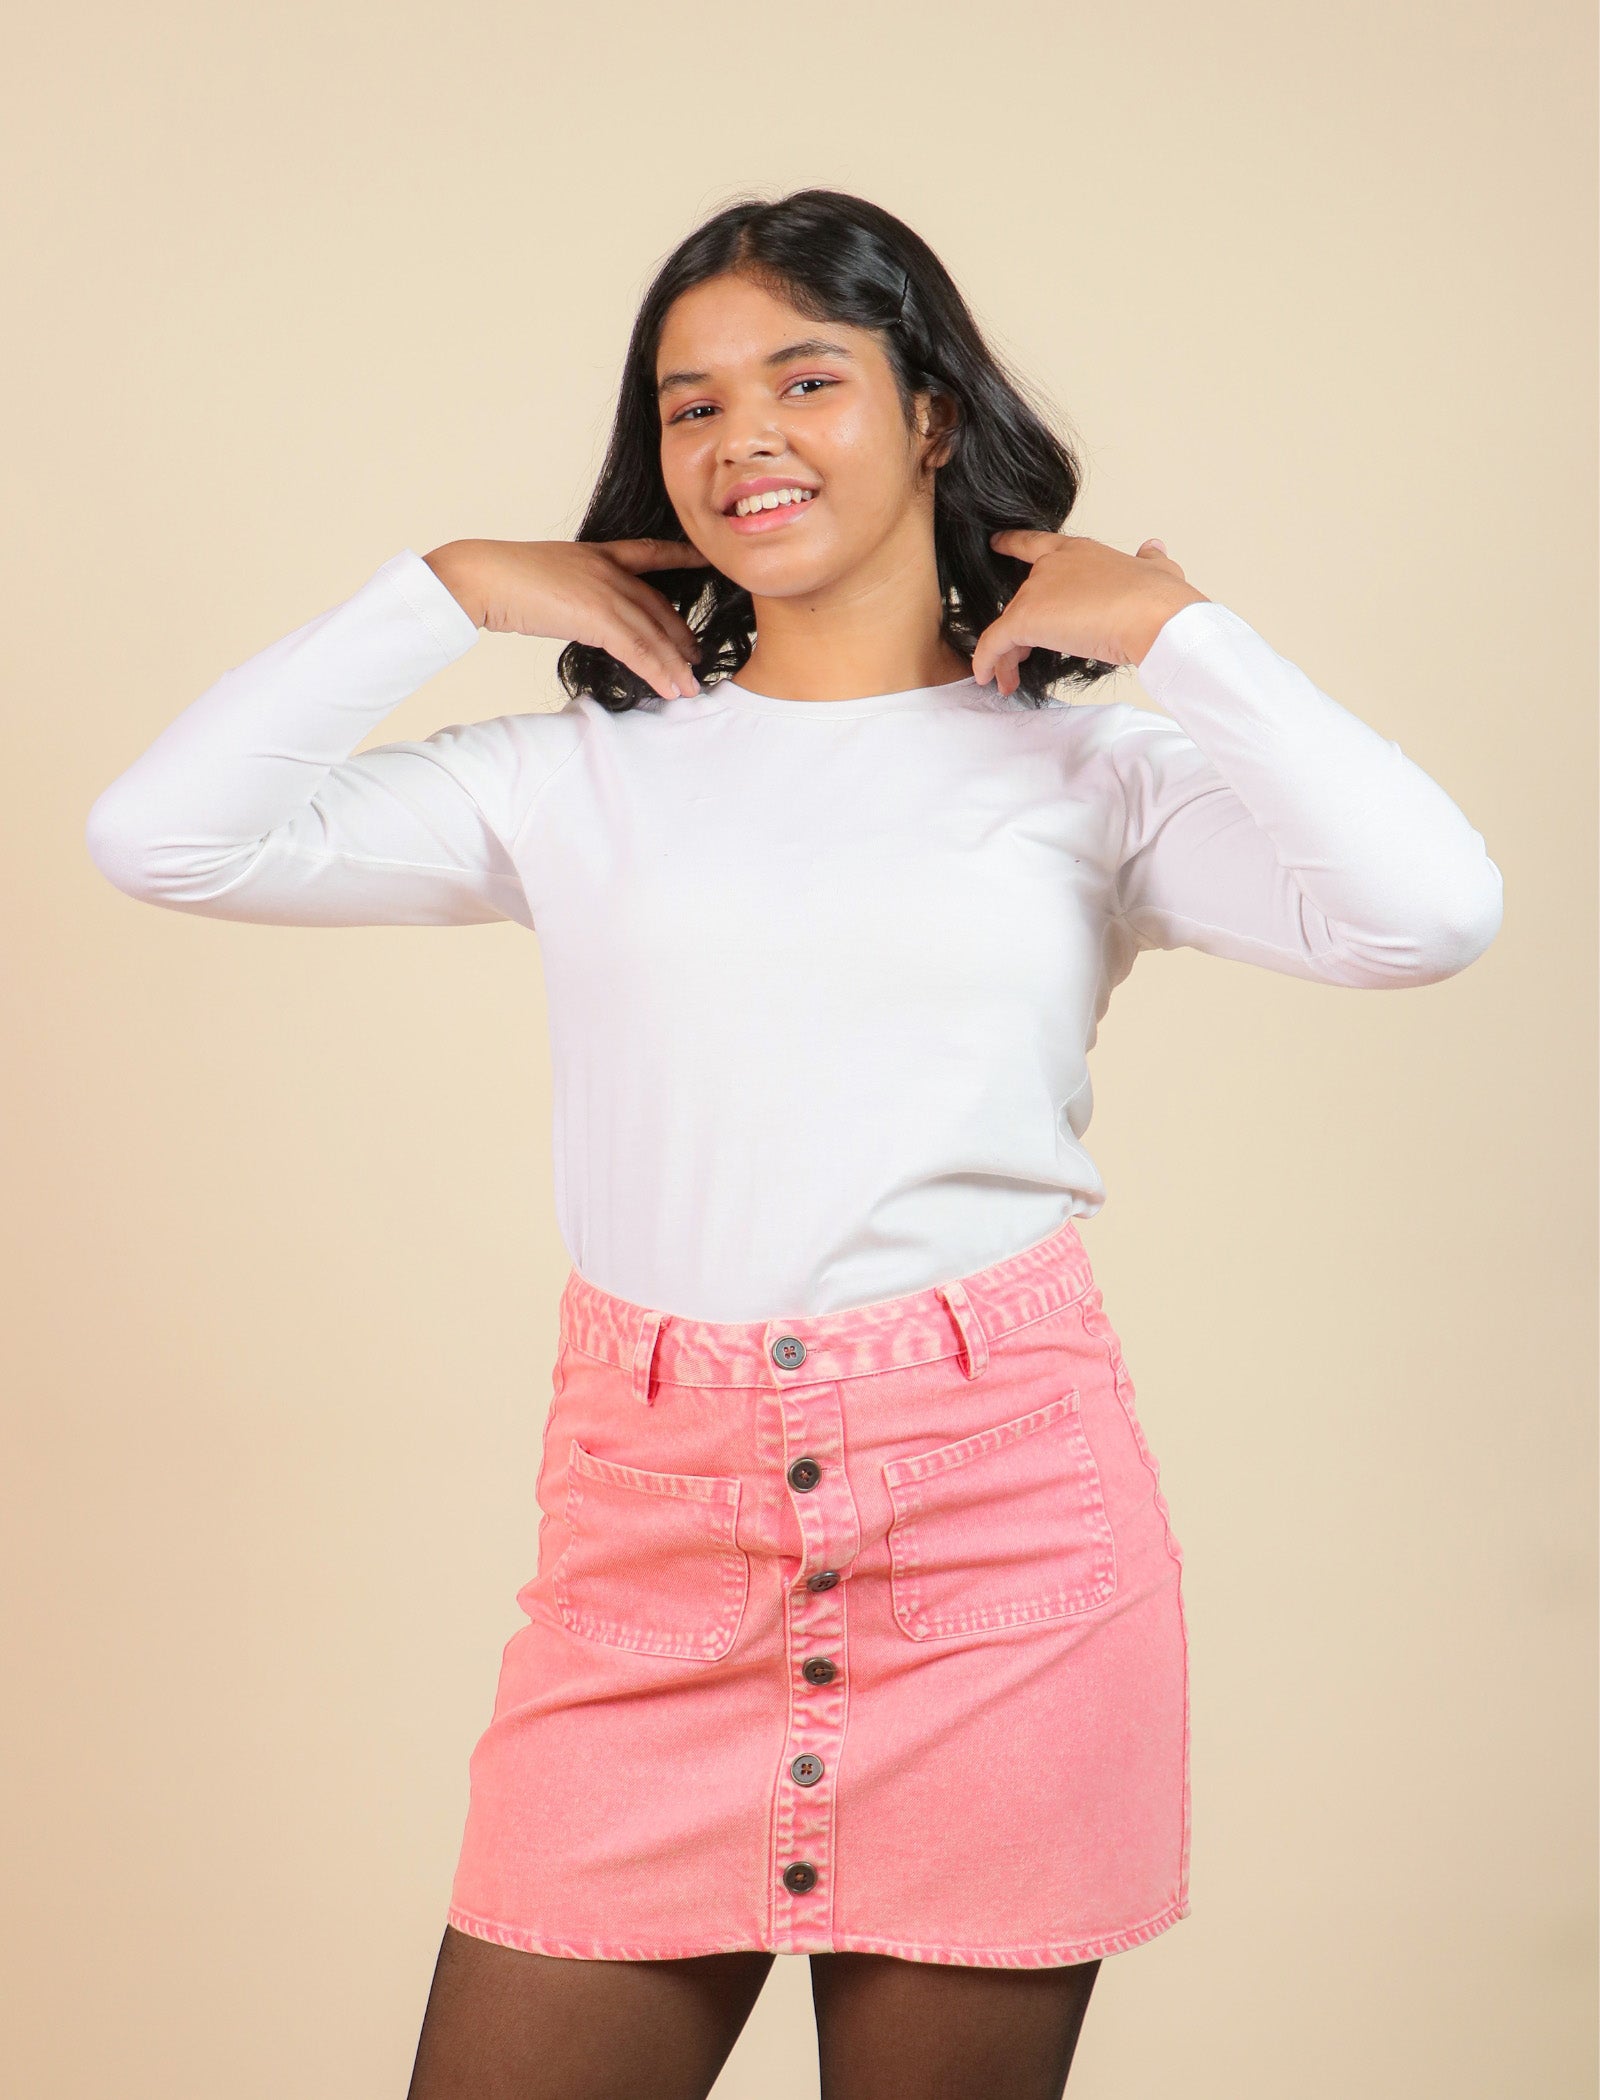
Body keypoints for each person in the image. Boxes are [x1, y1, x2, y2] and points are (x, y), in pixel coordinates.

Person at [83, 188, 1504, 2099]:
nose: (742, 434)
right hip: (646, 1552)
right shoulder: (579, 778)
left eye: (806, 377)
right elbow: (167, 839)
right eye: (691, 403)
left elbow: (1427, 915)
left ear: (929, 417)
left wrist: (1187, 635)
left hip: (1001, 1535)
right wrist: (445, 589)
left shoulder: (1099, 779)